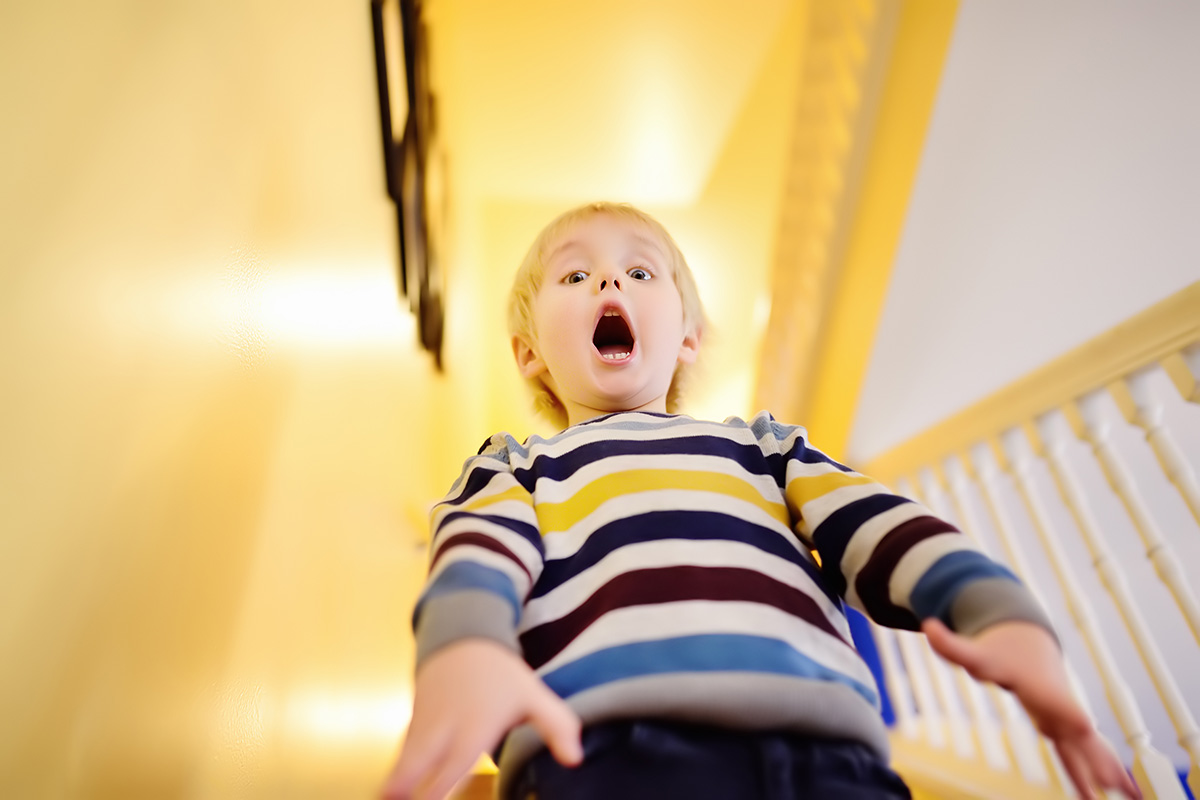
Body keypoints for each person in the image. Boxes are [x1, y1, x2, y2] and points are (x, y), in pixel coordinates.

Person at [381, 202, 1138, 800]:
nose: (609, 283)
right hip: (605, 756)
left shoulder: (763, 448)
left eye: (640, 271)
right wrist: (466, 645)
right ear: (529, 354)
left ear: (687, 338)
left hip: (831, 756)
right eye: (575, 276)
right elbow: (477, 553)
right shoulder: (518, 466)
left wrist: (996, 610)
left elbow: (877, 522)